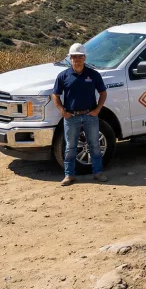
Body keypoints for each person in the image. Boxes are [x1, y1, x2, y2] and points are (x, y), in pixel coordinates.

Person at [52, 43, 108, 186]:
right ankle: (69, 175)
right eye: (74, 57)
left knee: (94, 145)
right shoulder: (63, 76)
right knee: (70, 147)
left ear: (84, 57)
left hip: (90, 115)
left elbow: (103, 93)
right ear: (70, 58)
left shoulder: (93, 74)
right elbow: (55, 95)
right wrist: (62, 111)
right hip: (71, 117)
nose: (77, 59)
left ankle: (98, 172)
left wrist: (98, 109)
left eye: (80, 56)